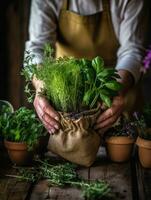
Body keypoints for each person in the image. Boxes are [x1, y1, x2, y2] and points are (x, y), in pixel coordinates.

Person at [25, 0, 147, 135]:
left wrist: (116, 91)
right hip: (67, 101)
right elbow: (37, 48)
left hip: (117, 98)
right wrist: (42, 88)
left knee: (123, 144)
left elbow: (132, 50)